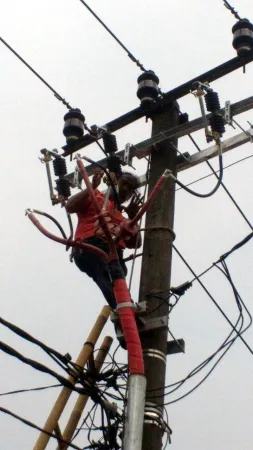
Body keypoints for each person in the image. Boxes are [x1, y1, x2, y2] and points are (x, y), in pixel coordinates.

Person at [65, 170, 143, 309]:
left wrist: (133, 219)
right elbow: (70, 206)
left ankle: (125, 313)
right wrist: (91, 187)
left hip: (112, 255)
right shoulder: (96, 196)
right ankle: (123, 310)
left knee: (117, 278)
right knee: (105, 272)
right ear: (114, 182)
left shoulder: (122, 218)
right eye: (124, 184)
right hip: (90, 247)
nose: (126, 189)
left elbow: (136, 243)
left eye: (131, 189)